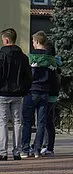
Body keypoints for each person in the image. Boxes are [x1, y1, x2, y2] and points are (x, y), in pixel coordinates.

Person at [25, 32, 56, 156]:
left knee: (26, 121)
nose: (32, 44)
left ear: (37, 41)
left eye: (33, 41)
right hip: (46, 92)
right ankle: (38, 149)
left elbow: (28, 75)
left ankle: (25, 148)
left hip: (32, 90)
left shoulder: (31, 57)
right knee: (42, 122)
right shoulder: (51, 60)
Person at [0, 30, 28, 158]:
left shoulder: (1, 55)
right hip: (18, 94)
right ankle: (17, 151)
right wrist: (24, 90)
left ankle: (3, 152)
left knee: (3, 122)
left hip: (3, 93)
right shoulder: (23, 57)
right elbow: (28, 76)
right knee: (17, 122)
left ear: (6, 40)